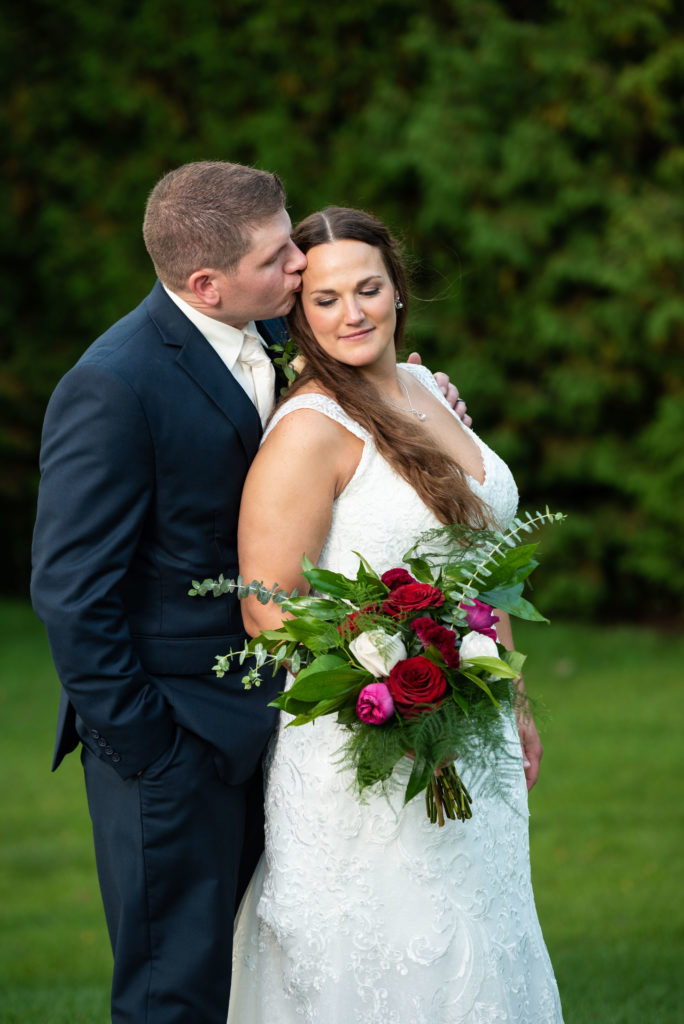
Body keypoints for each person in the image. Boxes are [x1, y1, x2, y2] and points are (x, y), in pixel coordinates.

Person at [30, 162, 468, 1024]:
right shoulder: (114, 385)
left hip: (278, 728)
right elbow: (72, 592)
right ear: (207, 282)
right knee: (175, 994)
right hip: (173, 742)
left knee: (266, 976)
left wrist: (414, 396)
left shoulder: (263, 337)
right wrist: (148, 746)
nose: (301, 270)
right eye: (280, 259)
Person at [228, 206, 564, 1023]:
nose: (353, 314)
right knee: (388, 948)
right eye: (328, 299)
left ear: (397, 289)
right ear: (298, 315)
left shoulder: (423, 387)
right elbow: (267, 612)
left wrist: (509, 697)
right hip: (371, 738)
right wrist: (395, 692)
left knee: (477, 939)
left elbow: (479, 568)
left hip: (471, 726)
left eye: (369, 289)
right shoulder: (309, 431)